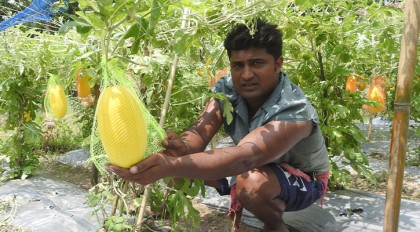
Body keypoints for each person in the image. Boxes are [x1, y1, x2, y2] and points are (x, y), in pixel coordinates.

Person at [108, 19, 330, 232]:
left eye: (257, 63)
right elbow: (199, 130)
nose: (246, 74)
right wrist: (182, 148)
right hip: (251, 167)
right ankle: (166, 207)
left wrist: (170, 166)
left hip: (305, 179)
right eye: (238, 65)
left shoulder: (295, 109)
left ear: (278, 64)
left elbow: (245, 157)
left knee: (249, 182)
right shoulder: (227, 89)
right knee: (180, 157)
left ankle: (274, 226)